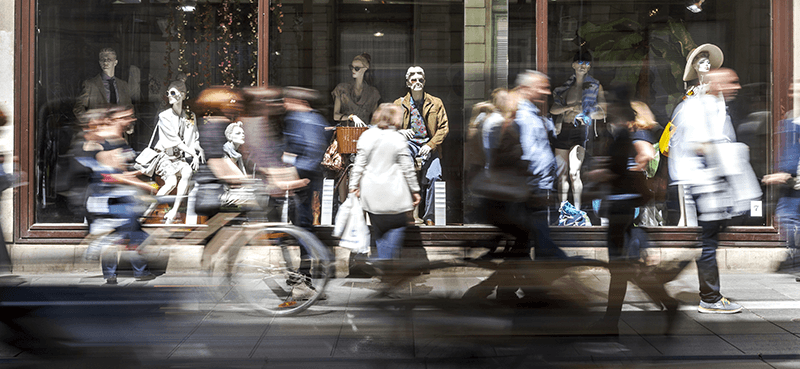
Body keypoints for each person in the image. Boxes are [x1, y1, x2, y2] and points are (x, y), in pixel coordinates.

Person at [588, 97, 678, 334]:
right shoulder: (624, 135)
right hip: (623, 206)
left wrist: (610, 174)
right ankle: (666, 304)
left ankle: (611, 322)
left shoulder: (631, 135)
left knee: (620, 268)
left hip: (622, 207)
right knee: (626, 268)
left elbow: (645, 157)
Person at [669, 67, 744, 313]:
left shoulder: (712, 105)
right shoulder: (698, 107)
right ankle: (710, 298)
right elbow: (701, 146)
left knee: (708, 241)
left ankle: (693, 284)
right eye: (732, 82)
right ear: (717, 84)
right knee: (708, 243)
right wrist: (728, 159)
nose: (737, 87)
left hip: (711, 185)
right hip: (706, 185)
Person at [78, 106, 157, 284]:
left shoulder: (119, 140)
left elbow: (120, 171)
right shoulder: (104, 141)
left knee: (128, 232)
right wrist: (139, 183)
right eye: (126, 117)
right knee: (128, 233)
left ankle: (121, 273)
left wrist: (137, 174)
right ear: (115, 119)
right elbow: (109, 176)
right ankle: (131, 272)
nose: (132, 120)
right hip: (108, 197)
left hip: (119, 196)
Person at [349, 103, 421, 260]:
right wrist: (415, 190)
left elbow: (358, 165)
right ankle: (383, 261)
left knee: (379, 230)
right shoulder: (397, 138)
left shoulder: (366, 136)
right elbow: (407, 168)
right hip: (394, 195)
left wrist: (353, 186)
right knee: (397, 226)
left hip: (371, 196)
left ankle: (383, 261)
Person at [509, 70, 566, 259]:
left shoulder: (533, 115)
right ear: (526, 89)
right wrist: (535, 188)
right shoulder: (524, 117)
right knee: (542, 245)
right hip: (533, 191)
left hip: (537, 190)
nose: (547, 93)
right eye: (542, 88)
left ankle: (507, 287)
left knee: (524, 245)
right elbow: (528, 154)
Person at [550, 50, 606, 212]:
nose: (583, 66)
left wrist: (587, 113)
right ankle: (563, 210)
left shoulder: (595, 85)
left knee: (575, 172)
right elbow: (554, 109)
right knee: (562, 175)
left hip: (580, 131)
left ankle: (578, 209)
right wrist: (569, 107)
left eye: (587, 63)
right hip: (563, 130)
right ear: (573, 65)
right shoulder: (565, 87)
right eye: (580, 62)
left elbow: (603, 112)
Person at [394, 66, 449, 225]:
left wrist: (431, 144)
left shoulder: (435, 102)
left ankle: (430, 216)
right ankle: (408, 213)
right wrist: (400, 132)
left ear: (424, 82)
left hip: (429, 146)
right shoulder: (399, 103)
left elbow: (444, 128)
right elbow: (388, 125)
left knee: (435, 176)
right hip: (408, 145)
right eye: (413, 79)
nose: (417, 82)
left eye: (420, 79)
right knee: (406, 171)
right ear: (408, 82)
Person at [150, 78, 204, 224]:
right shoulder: (164, 116)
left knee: (187, 172)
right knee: (171, 182)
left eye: (173, 93)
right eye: (168, 93)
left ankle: (174, 211)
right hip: (165, 157)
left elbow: (194, 137)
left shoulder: (189, 116)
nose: (170, 96)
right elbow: (174, 141)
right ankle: (149, 209)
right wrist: (193, 154)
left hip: (179, 159)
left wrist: (198, 151)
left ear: (183, 95)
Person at [74, 48, 138, 124]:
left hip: (118, 131)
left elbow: (129, 108)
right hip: (98, 133)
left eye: (109, 59)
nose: (105, 62)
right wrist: (90, 124)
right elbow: (78, 108)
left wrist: (130, 125)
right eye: (102, 59)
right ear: (99, 62)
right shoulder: (90, 84)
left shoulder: (123, 85)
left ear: (115, 62)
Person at [332, 53, 381, 127]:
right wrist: (351, 117)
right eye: (351, 67)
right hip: (346, 133)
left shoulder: (373, 93)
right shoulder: (342, 89)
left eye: (357, 68)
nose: (353, 70)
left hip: (364, 133)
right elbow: (335, 115)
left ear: (365, 69)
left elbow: (375, 119)